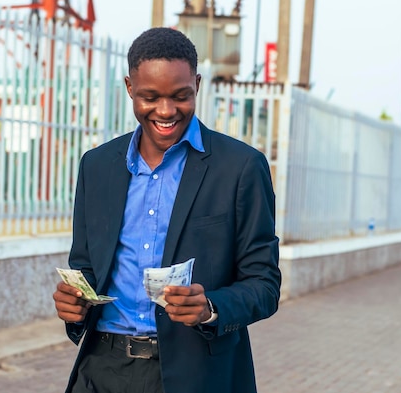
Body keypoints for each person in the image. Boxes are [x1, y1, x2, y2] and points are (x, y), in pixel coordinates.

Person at [52, 27, 281, 393]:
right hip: (101, 369)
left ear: (198, 85)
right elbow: (86, 268)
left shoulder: (241, 168)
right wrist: (74, 305)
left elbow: (265, 285)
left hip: (196, 376)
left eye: (180, 96)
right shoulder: (96, 167)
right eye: (150, 97)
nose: (165, 111)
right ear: (130, 88)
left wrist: (210, 307)